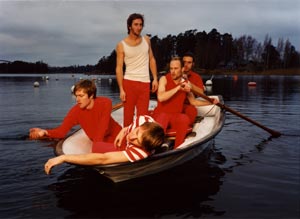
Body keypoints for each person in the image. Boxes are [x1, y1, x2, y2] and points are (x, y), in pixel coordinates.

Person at [44, 115, 165, 174]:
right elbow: (130, 128)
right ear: (142, 126)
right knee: (96, 146)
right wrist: (123, 132)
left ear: (143, 146)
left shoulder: (140, 153)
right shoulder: (142, 120)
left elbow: (103, 159)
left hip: (134, 150)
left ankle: (164, 147)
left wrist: (64, 157)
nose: (131, 137)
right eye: (137, 131)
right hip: (129, 141)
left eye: (137, 140)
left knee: (99, 151)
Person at [29, 79, 122, 151]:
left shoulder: (105, 103)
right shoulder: (75, 112)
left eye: (81, 96)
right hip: (101, 143)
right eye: (76, 96)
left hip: (118, 135)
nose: (77, 99)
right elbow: (61, 132)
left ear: (91, 96)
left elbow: (103, 127)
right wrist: (45, 132)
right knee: (97, 148)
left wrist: (97, 146)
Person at [152, 57, 218, 148]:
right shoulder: (164, 79)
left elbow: (193, 102)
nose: (173, 71)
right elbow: (161, 97)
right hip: (161, 114)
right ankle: (155, 146)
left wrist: (211, 102)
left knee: (184, 118)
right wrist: (178, 88)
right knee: (164, 116)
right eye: (171, 68)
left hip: (175, 116)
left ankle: (177, 148)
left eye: (176, 68)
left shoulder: (186, 83)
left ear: (182, 69)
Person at [115, 13, 158, 127]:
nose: (139, 27)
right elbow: (119, 68)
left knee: (142, 118)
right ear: (129, 26)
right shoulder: (121, 45)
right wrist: (121, 89)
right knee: (128, 117)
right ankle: (127, 141)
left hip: (145, 83)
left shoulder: (147, 40)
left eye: (140, 25)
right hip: (129, 83)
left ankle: (140, 142)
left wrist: (155, 79)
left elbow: (151, 59)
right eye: (136, 24)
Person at [182, 52, 206, 125]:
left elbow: (201, 93)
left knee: (192, 111)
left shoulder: (196, 77)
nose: (186, 65)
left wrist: (188, 82)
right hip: (175, 105)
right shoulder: (175, 73)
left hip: (189, 105)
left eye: (189, 62)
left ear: (193, 64)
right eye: (184, 62)